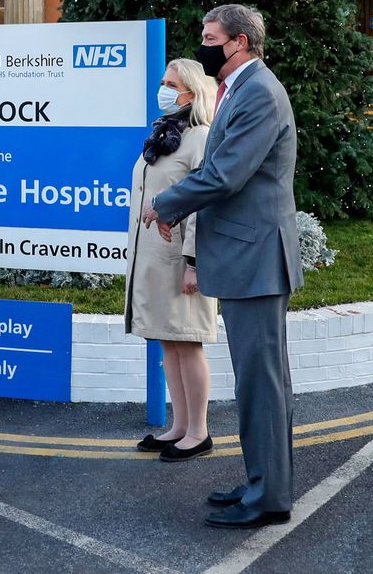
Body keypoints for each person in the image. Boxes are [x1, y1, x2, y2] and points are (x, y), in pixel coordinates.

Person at [142, 4, 304, 530]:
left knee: (263, 383)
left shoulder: (259, 91)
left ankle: (269, 497)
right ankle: (262, 481)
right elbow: (216, 167)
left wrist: (166, 204)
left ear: (237, 43)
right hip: (246, 257)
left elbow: (225, 175)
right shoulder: (240, 88)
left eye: (210, 37)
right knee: (258, 382)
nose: (204, 44)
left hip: (257, 260)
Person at [126, 58, 218, 461]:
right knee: (170, 341)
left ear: (191, 92)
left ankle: (198, 431)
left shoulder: (200, 138)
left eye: (170, 83)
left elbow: (203, 204)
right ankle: (179, 426)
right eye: (162, 81)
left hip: (181, 261)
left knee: (189, 342)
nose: (162, 89)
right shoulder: (165, 134)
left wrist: (195, 263)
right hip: (155, 257)